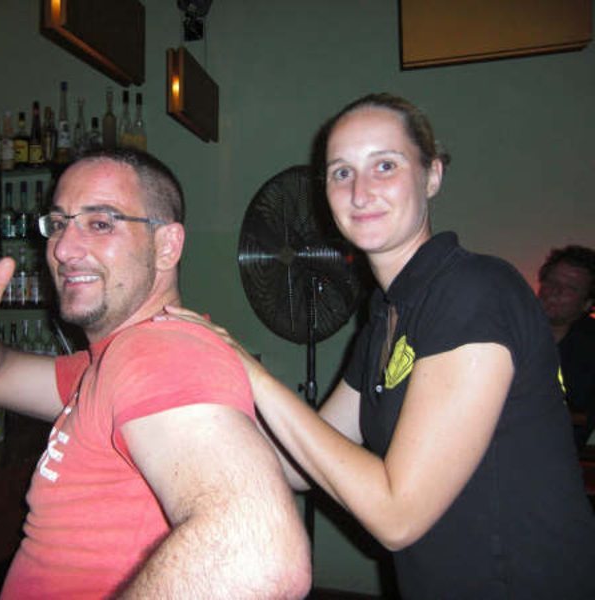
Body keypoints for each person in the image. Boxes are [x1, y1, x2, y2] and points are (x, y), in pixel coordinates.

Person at [162, 94, 595, 599]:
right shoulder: (387, 315)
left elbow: (396, 515)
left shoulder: (474, 290)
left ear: (432, 176)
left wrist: (247, 369)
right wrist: (180, 426)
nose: (360, 192)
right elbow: (300, 463)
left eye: (385, 165)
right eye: (341, 173)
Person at [0, 149, 311, 599]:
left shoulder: (156, 355)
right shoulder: (104, 365)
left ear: (167, 246)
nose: (62, 249)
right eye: (58, 224)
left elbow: (256, 552)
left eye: (100, 223)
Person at [538, 244, 595, 449]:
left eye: (571, 288)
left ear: (587, 304)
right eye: (552, 282)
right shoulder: (511, 330)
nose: (556, 292)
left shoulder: (589, 348)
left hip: (556, 452)